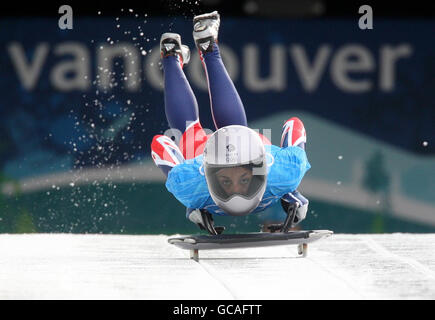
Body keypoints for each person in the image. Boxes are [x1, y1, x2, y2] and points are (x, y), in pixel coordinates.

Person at [151, 11, 310, 234]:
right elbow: (294, 124)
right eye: (226, 182)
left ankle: (172, 57)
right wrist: (291, 191)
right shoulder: (287, 173)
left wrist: (192, 203)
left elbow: (159, 143)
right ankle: (179, 53)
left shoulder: (190, 185)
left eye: (243, 180)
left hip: (206, 154)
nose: (236, 191)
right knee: (230, 131)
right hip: (219, 154)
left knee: (190, 130)